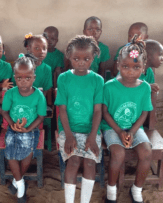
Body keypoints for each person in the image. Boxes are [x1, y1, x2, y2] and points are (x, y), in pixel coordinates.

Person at [102, 35, 153, 203]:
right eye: (125, 66)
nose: (130, 71)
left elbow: (144, 113)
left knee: (146, 152)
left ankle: (136, 189)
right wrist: (119, 131)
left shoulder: (145, 88)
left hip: (134, 126)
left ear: (143, 67)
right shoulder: (109, 86)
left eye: (136, 66)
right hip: (111, 127)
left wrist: (131, 131)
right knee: (118, 153)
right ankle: (111, 190)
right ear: (118, 65)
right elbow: (105, 112)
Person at [55, 35, 103, 203]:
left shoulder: (97, 80)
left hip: (91, 129)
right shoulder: (64, 78)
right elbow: (62, 109)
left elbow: (98, 111)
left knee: (90, 163)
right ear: (69, 56)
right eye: (76, 58)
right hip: (69, 129)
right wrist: (68, 135)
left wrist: (92, 136)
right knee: (74, 161)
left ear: (93, 58)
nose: (81, 62)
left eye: (86, 59)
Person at [2, 53, 46, 203]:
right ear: (15, 78)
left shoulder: (39, 95)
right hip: (13, 128)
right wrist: (12, 124)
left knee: (27, 154)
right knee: (10, 154)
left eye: (28, 78)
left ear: (34, 77)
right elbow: (5, 112)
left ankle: (16, 181)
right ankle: (21, 187)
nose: (23, 82)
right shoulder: (11, 93)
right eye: (19, 78)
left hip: (31, 130)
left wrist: (28, 129)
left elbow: (41, 117)